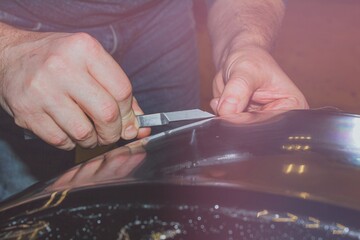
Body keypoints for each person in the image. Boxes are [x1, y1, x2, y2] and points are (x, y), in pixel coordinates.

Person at [0, 0, 308, 200]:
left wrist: (246, 44)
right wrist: (8, 53)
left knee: (177, 182)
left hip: (163, 19)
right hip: (19, 27)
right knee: (27, 203)